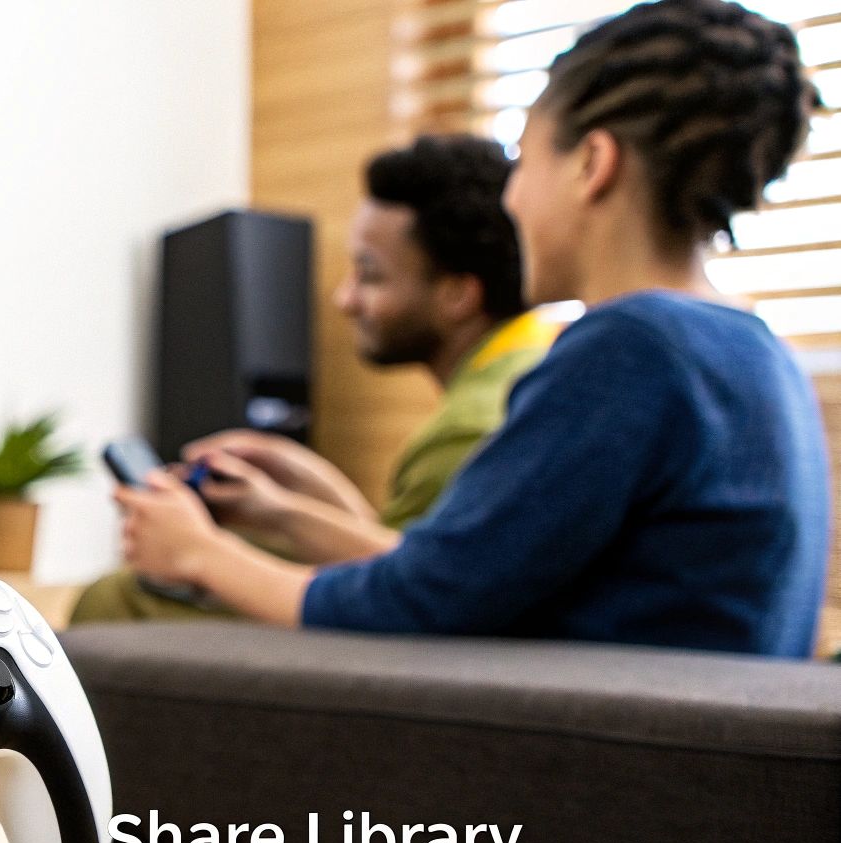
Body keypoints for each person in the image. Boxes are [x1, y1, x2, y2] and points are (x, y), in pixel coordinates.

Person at [113, 0, 829, 657]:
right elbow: (463, 572)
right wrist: (282, 515)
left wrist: (199, 556)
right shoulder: (753, 352)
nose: (511, 197)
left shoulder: (631, 348)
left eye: (524, 160)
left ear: (593, 163)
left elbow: (415, 601)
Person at [73, 135, 556, 622]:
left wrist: (200, 551)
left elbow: (415, 596)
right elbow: (407, 554)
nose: (344, 299)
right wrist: (291, 496)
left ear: (456, 294)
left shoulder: (472, 427)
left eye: (369, 275)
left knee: (116, 597)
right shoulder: (522, 368)